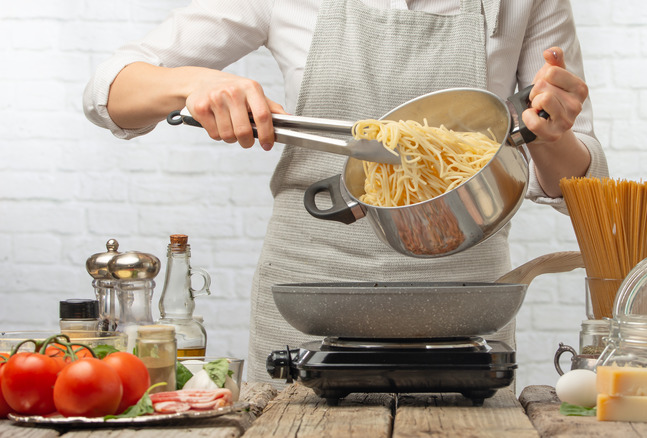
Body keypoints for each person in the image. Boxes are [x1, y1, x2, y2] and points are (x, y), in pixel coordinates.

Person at [84, 0, 609, 387]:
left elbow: (581, 186)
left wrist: (550, 130)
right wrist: (192, 84)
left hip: (462, 311)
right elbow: (108, 92)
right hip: (307, 301)